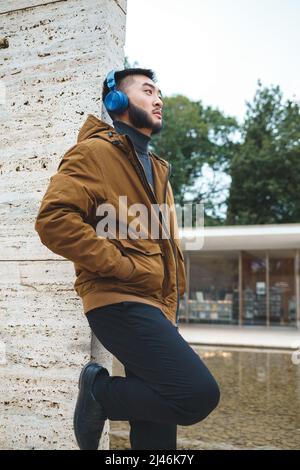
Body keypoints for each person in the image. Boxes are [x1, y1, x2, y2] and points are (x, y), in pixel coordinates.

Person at [34, 68, 220, 450]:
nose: (158, 100)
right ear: (117, 101)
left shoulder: (158, 168)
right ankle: (100, 392)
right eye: (147, 91)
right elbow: (54, 220)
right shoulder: (95, 152)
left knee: (156, 430)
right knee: (196, 394)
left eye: (160, 93)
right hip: (118, 300)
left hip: (157, 305)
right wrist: (121, 266)